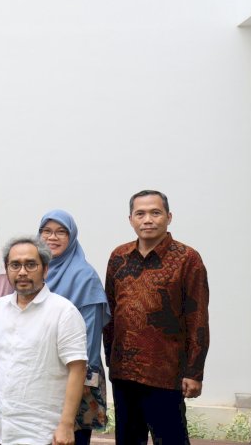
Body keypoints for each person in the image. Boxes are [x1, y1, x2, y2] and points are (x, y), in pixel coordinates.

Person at [104, 190, 209, 444]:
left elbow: (197, 318)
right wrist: (110, 359)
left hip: (166, 373)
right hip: (124, 372)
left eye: (155, 213)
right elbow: (110, 312)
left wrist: (194, 372)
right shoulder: (119, 257)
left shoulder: (187, 259)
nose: (148, 220)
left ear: (169, 217)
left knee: (171, 439)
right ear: (131, 219)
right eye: (140, 214)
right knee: (127, 440)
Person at [0, 237, 86, 445]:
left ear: (45, 269)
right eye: (15, 265)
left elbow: (78, 369)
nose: (22, 272)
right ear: (7, 270)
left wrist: (66, 424)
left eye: (30, 265)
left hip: (43, 432)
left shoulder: (64, 312)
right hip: (0, 431)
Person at [39, 210, 111, 445]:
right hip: (41, 373)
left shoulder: (84, 276)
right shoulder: (34, 272)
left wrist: (79, 377)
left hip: (76, 374)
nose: (52, 237)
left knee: (71, 438)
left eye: (61, 232)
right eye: (47, 231)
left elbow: (90, 336)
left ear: (71, 237)